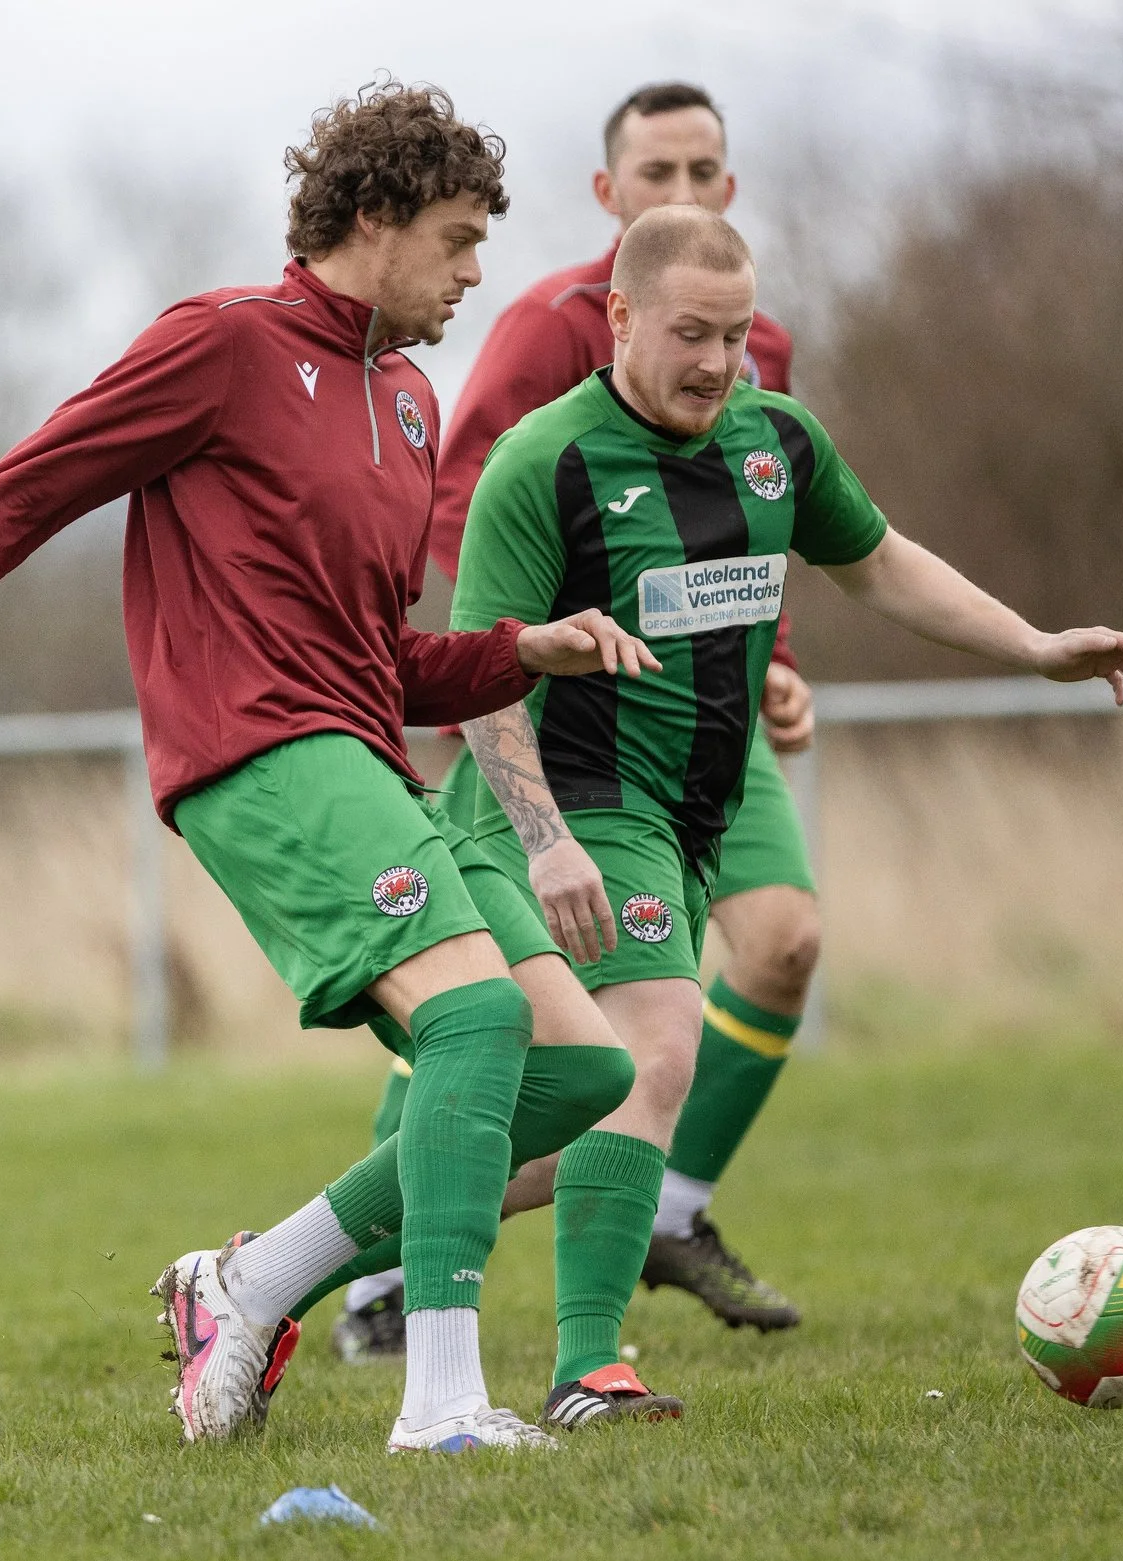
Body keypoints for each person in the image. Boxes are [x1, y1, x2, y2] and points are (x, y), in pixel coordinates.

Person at [0, 82, 657, 1454]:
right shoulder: (223, 345)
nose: (478, 272)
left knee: (583, 1069)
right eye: (458, 239)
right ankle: (441, 1405)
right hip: (259, 758)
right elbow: (17, 495)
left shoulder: (410, 404)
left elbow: (379, 660)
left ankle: (255, 1279)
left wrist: (522, 649)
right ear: (372, 219)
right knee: (477, 1024)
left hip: (365, 758)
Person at [449, 203, 1123, 1427]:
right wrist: (548, 837)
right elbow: (477, 668)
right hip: (580, 800)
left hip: (698, 806)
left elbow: (878, 562)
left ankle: (277, 1262)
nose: (717, 363)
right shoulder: (543, 461)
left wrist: (1033, 644)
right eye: (687, 334)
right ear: (616, 317)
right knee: (658, 1048)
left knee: (568, 1128)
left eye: (735, 335)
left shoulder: (777, 442)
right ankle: (586, 1370)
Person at [333, 81, 811, 1363]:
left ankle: (669, 1206)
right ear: (609, 199)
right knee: (543, 1024)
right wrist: (494, 655)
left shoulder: (749, 347)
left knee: (782, 944)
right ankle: (403, 1271)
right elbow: (467, 504)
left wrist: (771, 659)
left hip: (715, 723)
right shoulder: (556, 335)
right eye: (655, 172)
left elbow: (757, 526)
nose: (682, 193)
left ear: (730, 183)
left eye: (703, 168)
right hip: (571, 727)